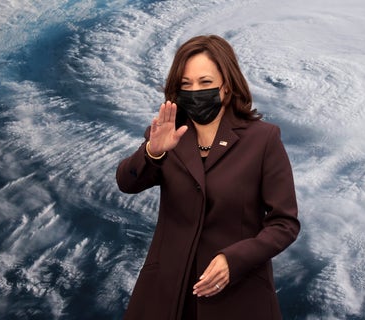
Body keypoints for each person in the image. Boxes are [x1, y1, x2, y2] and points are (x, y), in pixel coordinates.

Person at [116, 34, 300, 320]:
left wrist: (235, 259)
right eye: (186, 85)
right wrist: (153, 151)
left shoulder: (263, 139)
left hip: (237, 296)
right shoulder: (169, 132)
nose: (195, 92)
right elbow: (127, 183)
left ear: (227, 86)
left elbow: (284, 223)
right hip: (166, 294)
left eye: (205, 83)